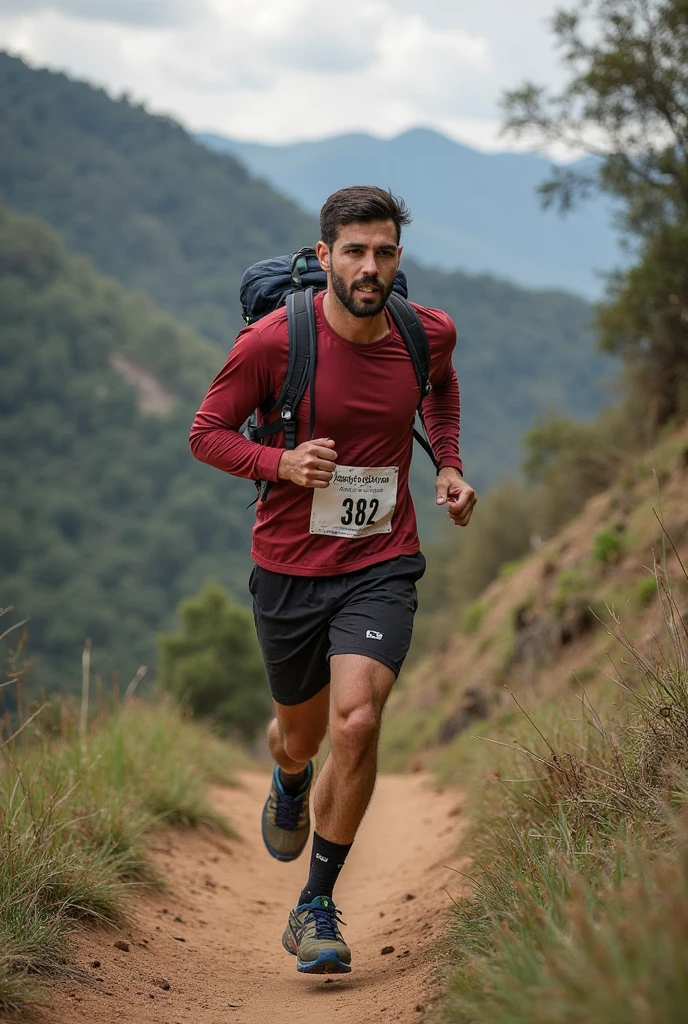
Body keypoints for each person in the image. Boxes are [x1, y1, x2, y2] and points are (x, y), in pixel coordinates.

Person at [189, 185, 476, 975]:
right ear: (325, 257)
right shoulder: (274, 343)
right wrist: (280, 462)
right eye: (354, 251)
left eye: (383, 251)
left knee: (357, 722)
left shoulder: (425, 332)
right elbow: (206, 434)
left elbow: (442, 386)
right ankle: (289, 778)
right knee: (302, 737)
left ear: (398, 256)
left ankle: (315, 905)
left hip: (381, 562)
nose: (369, 267)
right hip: (289, 568)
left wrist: (448, 464)